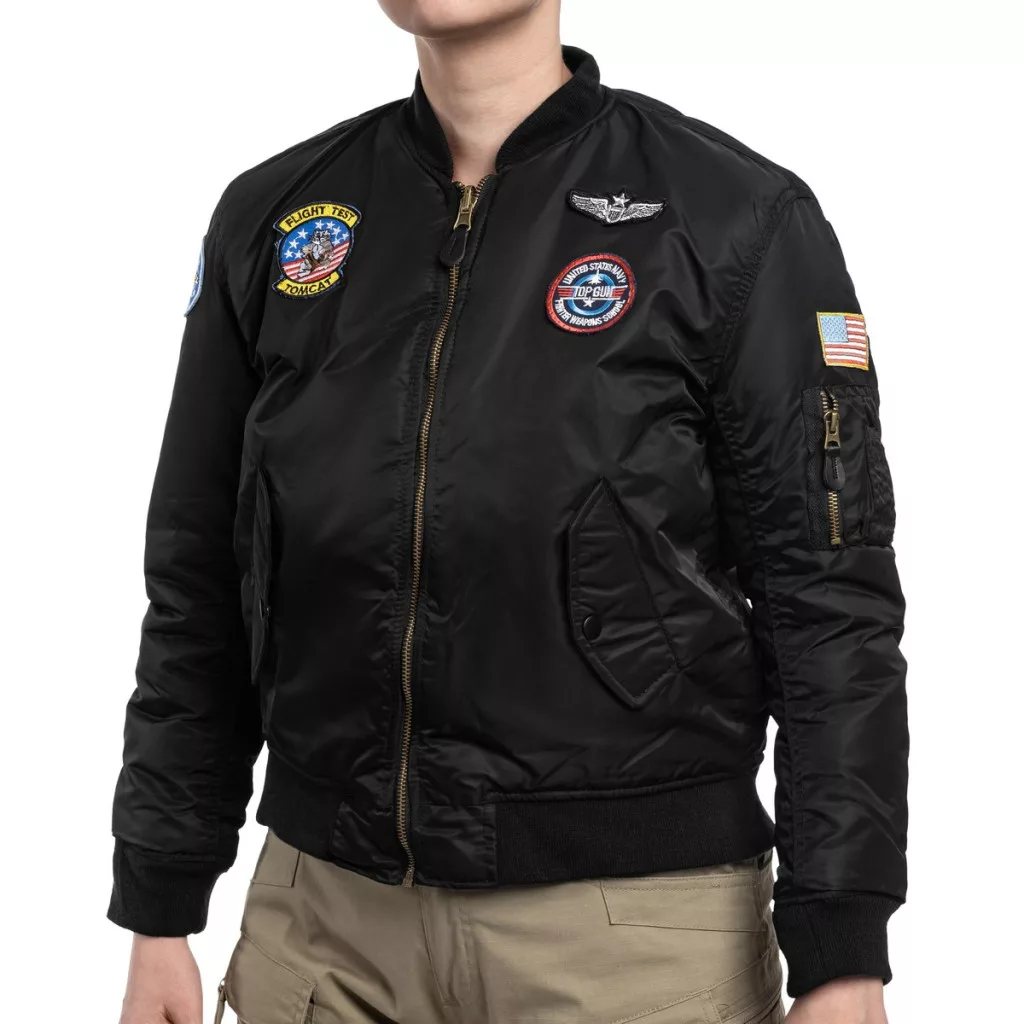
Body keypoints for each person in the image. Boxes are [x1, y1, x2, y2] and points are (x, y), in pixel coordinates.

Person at [110, 1, 908, 1022]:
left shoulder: (731, 217)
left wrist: (842, 949)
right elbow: (199, 582)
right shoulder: (278, 215)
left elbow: (827, 605)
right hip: (324, 928)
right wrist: (161, 904)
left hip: (630, 935)